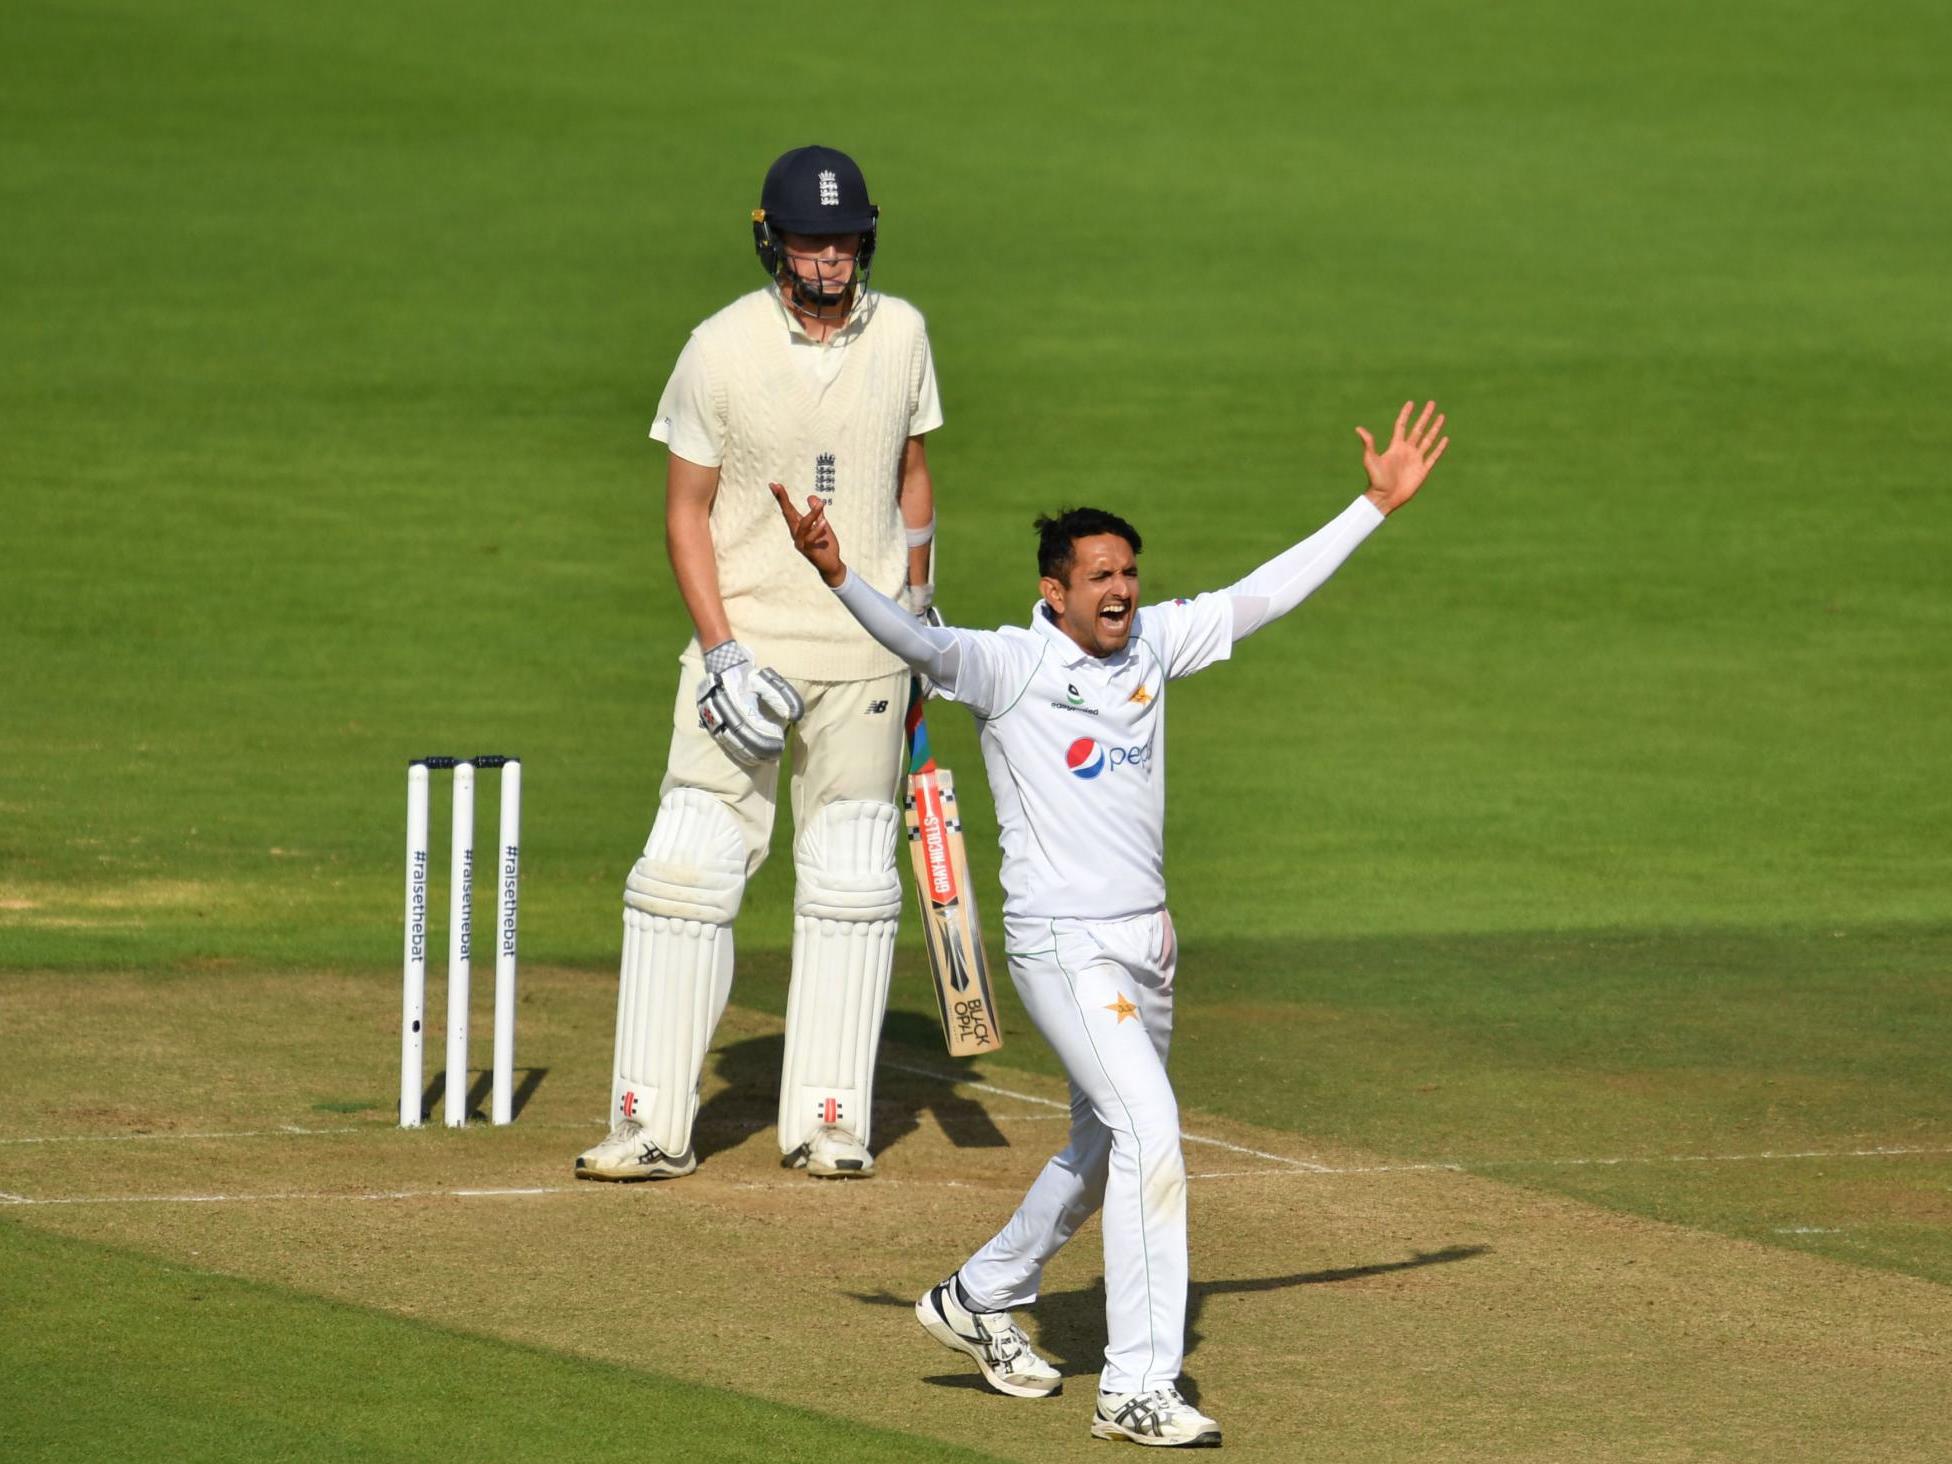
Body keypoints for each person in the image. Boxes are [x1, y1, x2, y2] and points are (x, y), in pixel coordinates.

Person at [771, 401, 1451, 1446]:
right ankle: (1136, 1386)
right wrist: (836, 575)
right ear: (1055, 591)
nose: (1121, 589)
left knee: (1101, 1148)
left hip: (1147, 945)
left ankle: (979, 1294)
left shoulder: (1151, 647)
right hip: (1063, 945)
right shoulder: (1009, 665)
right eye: (1100, 576)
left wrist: (1372, 505)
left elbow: (1264, 594)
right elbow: (917, 641)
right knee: (1150, 1131)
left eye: (1128, 572)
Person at [575, 145, 942, 1183]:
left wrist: (917, 615)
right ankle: (649, 1124)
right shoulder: (719, 348)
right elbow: (683, 512)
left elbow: (913, 474)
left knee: (852, 877)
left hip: (865, 653)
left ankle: (828, 1121)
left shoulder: (904, 333)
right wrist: (722, 651)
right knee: (685, 869)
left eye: (844, 241)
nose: (830, 261)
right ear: (772, 242)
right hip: (744, 653)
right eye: (811, 243)